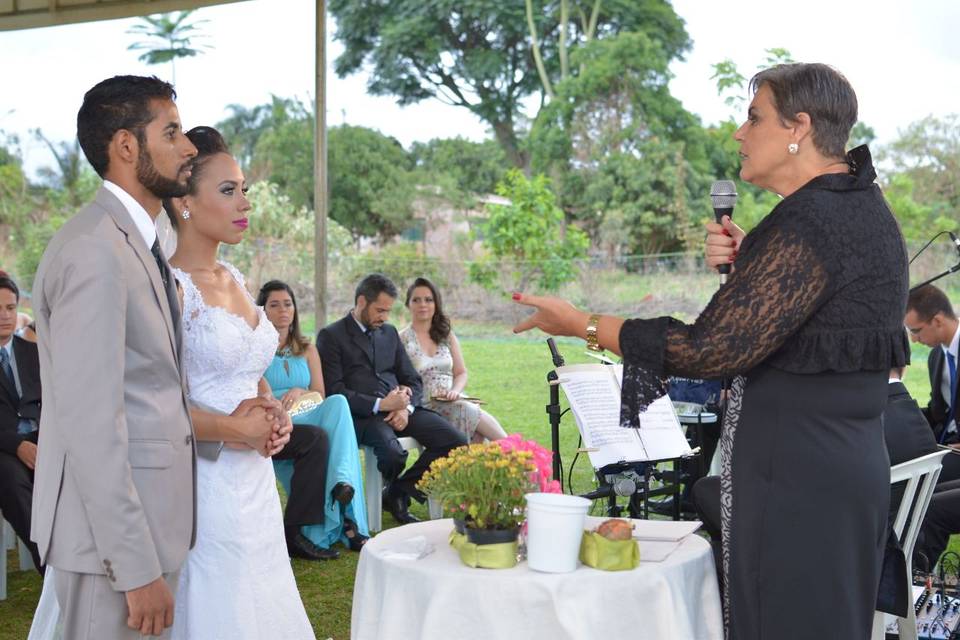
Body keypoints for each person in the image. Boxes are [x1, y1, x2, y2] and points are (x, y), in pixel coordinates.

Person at [513, 63, 908, 640]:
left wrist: (584, 324)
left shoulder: (810, 221)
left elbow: (710, 349)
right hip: (837, 473)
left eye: (754, 117)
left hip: (797, 482)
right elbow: (817, 314)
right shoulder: (860, 205)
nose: (738, 133)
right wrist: (759, 268)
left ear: (798, 126)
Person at [30, 75, 199, 640]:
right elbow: (91, 425)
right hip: (113, 549)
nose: (190, 147)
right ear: (127, 146)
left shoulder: (135, 239)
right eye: (172, 131)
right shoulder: (95, 250)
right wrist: (134, 567)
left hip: (147, 527)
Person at [157, 126, 316, 638]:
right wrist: (236, 430)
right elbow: (156, 407)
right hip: (205, 480)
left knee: (261, 593)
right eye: (228, 190)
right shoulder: (172, 290)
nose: (244, 201)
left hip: (254, 478)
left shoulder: (235, 278)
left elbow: (249, 371)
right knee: (217, 597)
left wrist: (274, 415)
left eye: (244, 188)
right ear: (183, 202)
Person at [316, 273, 468, 524]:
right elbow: (335, 391)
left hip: (401, 409)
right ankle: (395, 494)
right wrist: (380, 405)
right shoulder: (331, 336)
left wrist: (405, 407)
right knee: (393, 454)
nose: (385, 317)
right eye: (380, 310)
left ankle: (398, 491)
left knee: (455, 441)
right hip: (363, 415)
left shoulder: (388, 332)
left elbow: (413, 379)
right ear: (362, 302)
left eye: (388, 311)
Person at [259, 279, 369, 552]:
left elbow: (319, 393)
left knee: (339, 402)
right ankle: (344, 500)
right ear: (262, 310)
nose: (283, 310)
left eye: (288, 304)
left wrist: (299, 390)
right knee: (325, 439)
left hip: (308, 410)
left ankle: (341, 482)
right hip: (277, 419)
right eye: (274, 305)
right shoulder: (256, 350)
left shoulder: (307, 348)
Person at [400, 277, 506, 443]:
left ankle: (513, 456)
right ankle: (522, 457)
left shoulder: (445, 335)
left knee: (475, 429)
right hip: (423, 405)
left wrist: (455, 391)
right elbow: (398, 379)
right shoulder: (402, 339)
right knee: (469, 412)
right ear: (408, 304)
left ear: (436, 304)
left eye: (428, 300)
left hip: (452, 399)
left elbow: (461, 372)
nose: (423, 305)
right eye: (416, 300)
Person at [0, 274, 42, 573]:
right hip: (5, 446)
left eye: (10, 308)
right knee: (12, 482)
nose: (5, 316)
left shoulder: (34, 351)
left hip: (45, 437)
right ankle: (52, 569)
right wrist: (18, 446)